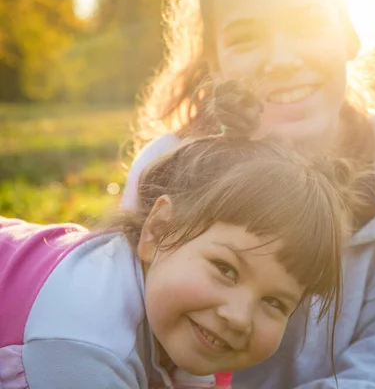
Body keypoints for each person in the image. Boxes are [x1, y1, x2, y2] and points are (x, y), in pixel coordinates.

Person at [123, 0, 375, 387]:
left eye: (307, 24)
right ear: (216, 63)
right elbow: (127, 338)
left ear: (348, 35)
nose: (282, 59)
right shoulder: (173, 167)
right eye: (246, 37)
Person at [0, 82, 352, 389]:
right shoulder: (84, 344)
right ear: (158, 229)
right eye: (225, 269)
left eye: (275, 303)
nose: (240, 316)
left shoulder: (178, 310)